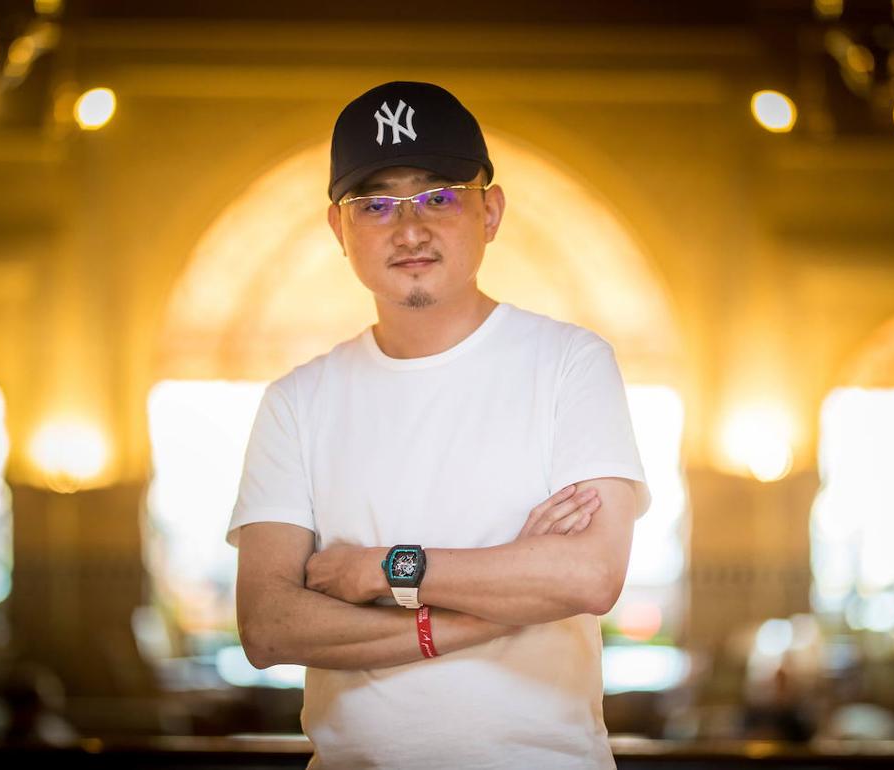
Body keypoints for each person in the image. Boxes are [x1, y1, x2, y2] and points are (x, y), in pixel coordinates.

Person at [226, 80, 652, 769]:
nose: (410, 230)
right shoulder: (296, 401)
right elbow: (269, 626)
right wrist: (490, 610)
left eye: (439, 197)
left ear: (491, 211)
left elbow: (589, 576)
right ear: (338, 230)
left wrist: (380, 569)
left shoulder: (570, 363)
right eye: (375, 205)